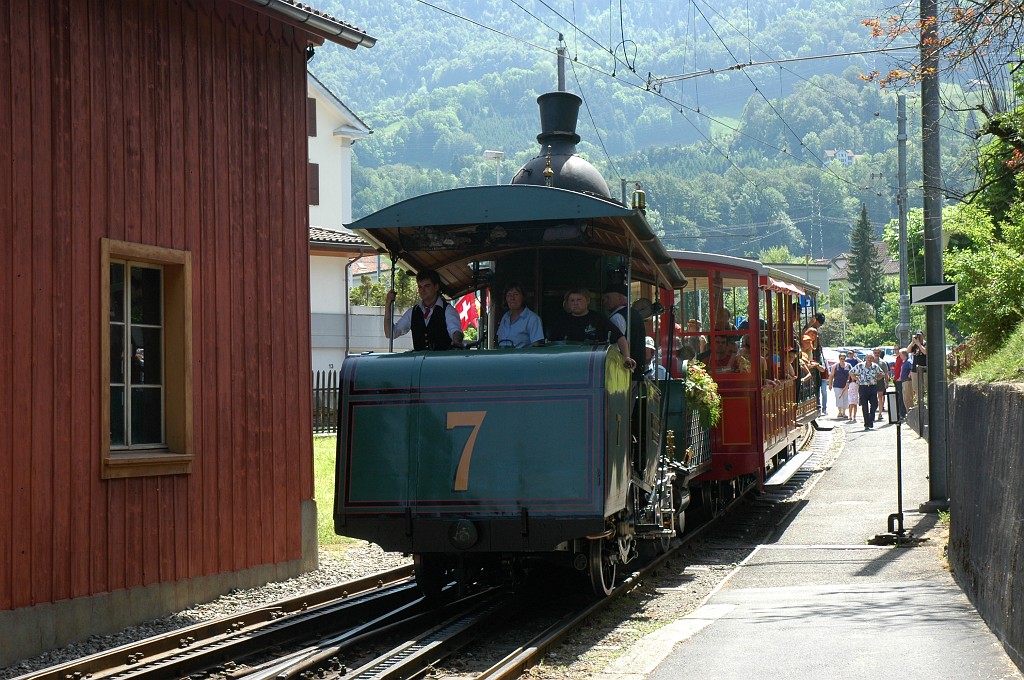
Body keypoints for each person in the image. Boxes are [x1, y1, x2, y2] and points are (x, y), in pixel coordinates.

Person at [548, 287, 637, 371]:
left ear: (588, 301)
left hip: (594, 366)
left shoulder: (599, 319)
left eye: (579, 300)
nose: (575, 303)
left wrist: (626, 357)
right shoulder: (561, 322)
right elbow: (551, 345)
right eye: (572, 300)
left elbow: (620, 338)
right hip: (568, 365)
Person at [384, 269, 463, 351]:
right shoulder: (413, 312)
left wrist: (456, 342)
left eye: (427, 286)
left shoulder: (448, 310)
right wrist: (388, 305)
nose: (422, 290)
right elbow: (390, 333)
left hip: (442, 362)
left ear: (436, 287)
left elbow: (456, 331)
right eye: (420, 287)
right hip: (419, 363)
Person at [602, 283, 646, 380]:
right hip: (636, 373)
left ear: (621, 298)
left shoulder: (617, 317)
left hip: (622, 373)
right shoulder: (636, 314)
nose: (604, 300)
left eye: (608, 297)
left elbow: (615, 347)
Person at [495, 282, 544, 348]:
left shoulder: (532, 319)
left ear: (523, 297)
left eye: (516, 294)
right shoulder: (505, 317)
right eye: (509, 295)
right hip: (502, 356)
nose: (512, 298)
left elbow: (536, 346)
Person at [849, 353, 887, 430]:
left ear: (873, 359)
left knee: (874, 404)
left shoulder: (875, 366)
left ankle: (871, 417)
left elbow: (882, 374)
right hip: (863, 387)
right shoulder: (860, 366)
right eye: (868, 358)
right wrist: (857, 379)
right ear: (866, 358)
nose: (869, 359)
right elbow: (851, 372)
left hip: (872, 387)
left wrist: (876, 379)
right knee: (864, 406)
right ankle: (867, 424)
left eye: (871, 358)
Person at [828, 353, 851, 419]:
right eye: (841, 358)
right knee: (839, 397)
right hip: (837, 384)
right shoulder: (835, 366)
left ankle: (844, 412)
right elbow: (831, 376)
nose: (842, 360)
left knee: (845, 398)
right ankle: (839, 412)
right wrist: (830, 384)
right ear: (839, 359)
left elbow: (851, 374)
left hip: (846, 385)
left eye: (844, 359)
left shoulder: (849, 365)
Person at [908, 330, 927, 404]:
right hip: (915, 369)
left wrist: (919, 344)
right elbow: (908, 350)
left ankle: (925, 400)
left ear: (923, 336)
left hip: (924, 368)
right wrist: (913, 342)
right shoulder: (914, 345)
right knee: (915, 386)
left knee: (925, 385)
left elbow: (925, 352)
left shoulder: (925, 343)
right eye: (917, 335)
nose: (918, 337)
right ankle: (919, 401)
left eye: (920, 335)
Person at [873, 347, 889, 420]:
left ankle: (880, 413)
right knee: (872, 398)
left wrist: (886, 382)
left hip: (880, 381)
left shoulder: (883, 362)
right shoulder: (870, 360)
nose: (876, 354)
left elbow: (886, 373)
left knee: (880, 397)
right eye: (875, 353)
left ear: (880, 353)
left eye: (878, 353)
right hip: (871, 381)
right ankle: (872, 412)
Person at [892, 347, 909, 419]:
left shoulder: (902, 359)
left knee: (901, 397)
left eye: (897, 349)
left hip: (901, 381)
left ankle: (902, 413)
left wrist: (900, 377)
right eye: (894, 349)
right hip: (897, 380)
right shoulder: (897, 358)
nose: (895, 351)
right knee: (899, 397)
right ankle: (900, 413)